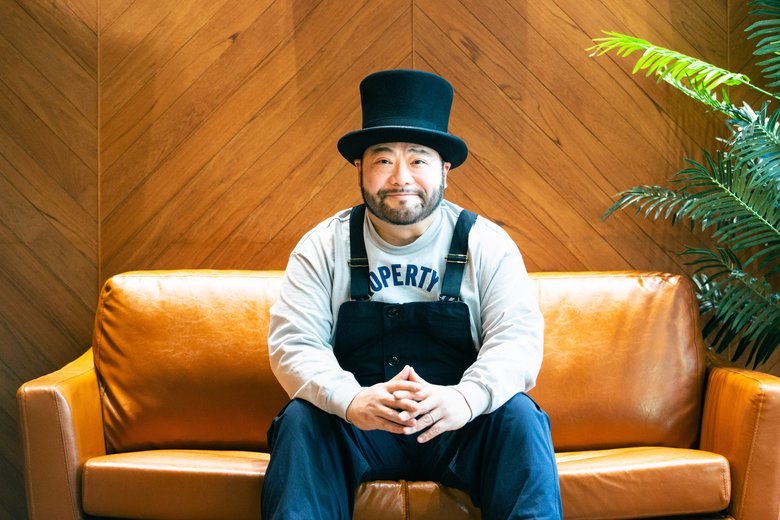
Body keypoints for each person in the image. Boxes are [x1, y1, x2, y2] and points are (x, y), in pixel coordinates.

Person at [261, 69, 562, 519]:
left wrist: (465, 399)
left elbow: (517, 340)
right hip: (359, 426)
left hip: (460, 427)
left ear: (444, 171)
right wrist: (350, 400)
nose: (400, 177)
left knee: (519, 415)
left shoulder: (487, 243)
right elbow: (294, 343)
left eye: (418, 161)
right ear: (360, 168)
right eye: (383, 160)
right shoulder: (323, 246)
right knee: (301, 420)